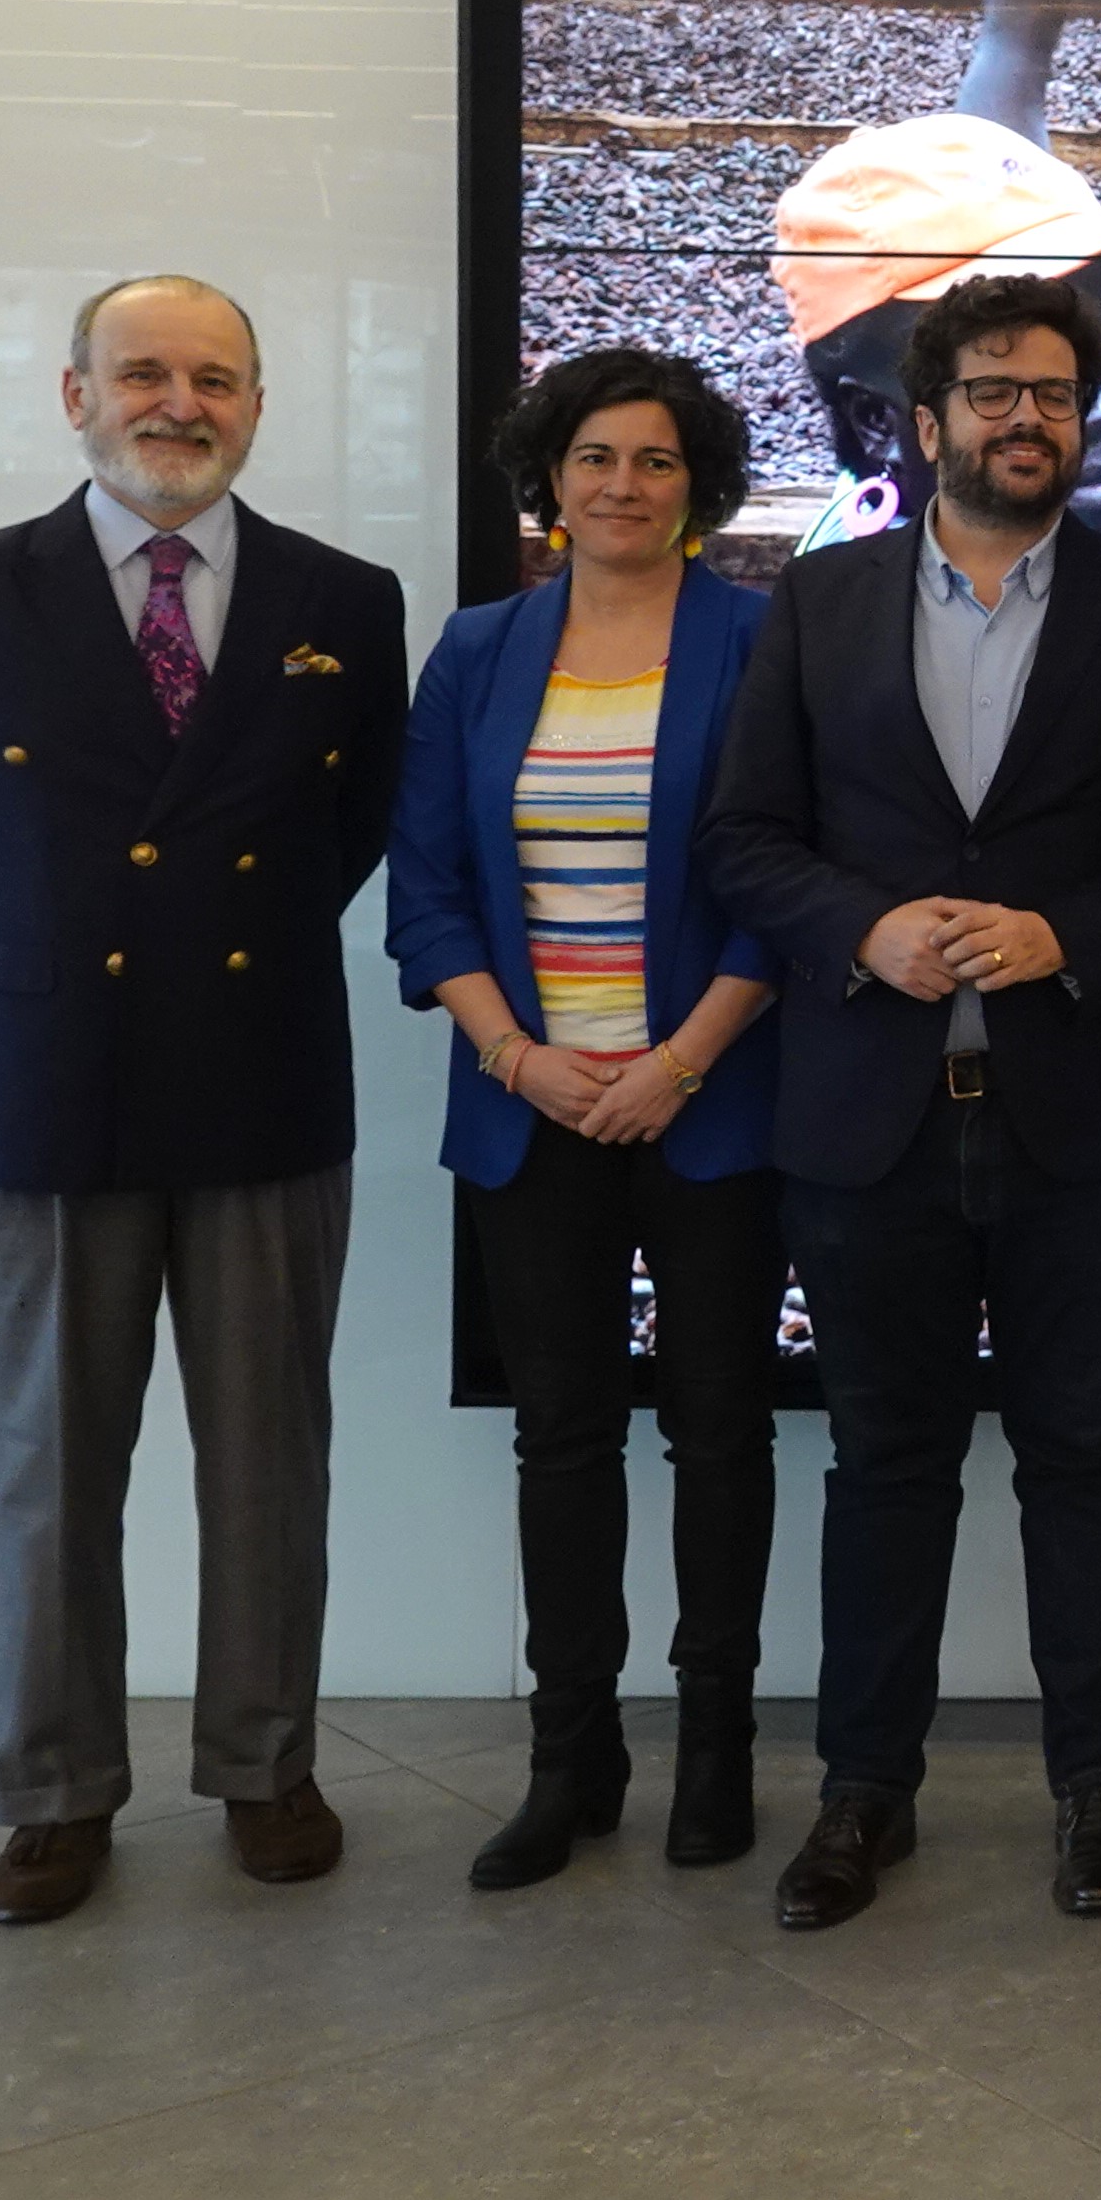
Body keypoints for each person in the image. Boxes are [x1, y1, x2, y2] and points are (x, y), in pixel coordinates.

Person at [0, 275, 409, 1924]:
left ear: (257, 404)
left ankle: (264, 1765)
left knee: (268, 1460)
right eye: (143, 371)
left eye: (214, 378)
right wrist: (7, 963)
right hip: (36, 1088)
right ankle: (53, 1791)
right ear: (74, 394)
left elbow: (352, 826)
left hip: (261, 1079)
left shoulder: (345, 601)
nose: (179, 403)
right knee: (46, 1465)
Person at [700, 270, 1101, 1931]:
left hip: (1076, 1114)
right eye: (996, 392)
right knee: (883, 1463)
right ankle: (862, 1795)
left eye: (1054, 394)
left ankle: (1096, 1790)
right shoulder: (821, 603)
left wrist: (1064, 935)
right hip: (866, 1113)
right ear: (925, 418)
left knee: (1082, 1457)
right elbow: (743, 841)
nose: (1029, 419)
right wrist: (863, 928)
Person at [385, 346, 789, 1892]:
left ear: (699, 488)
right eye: (596, 458)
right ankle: (573, 1762)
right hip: (531, 1112)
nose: (623, 485)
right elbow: (426, 887)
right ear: (550, 479)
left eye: (656, 460)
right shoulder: (479, 650)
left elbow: (781, 878)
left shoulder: (756, 640)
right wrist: (513, 1057)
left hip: (710, 1106)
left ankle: (714, 1755)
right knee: (561, 1441)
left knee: (720, 1434)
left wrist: (676, 1062)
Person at [771, 0, 1101, 548]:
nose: (1081, 409)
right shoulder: (862, 611)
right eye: (998, 385)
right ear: (880, 423)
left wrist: (1018, 34)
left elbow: (992, 221)